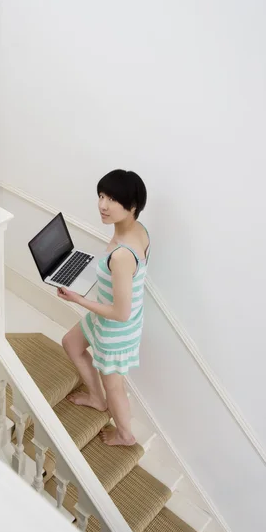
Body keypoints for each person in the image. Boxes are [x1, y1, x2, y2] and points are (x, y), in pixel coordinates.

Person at [57, 169, 149, 446]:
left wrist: (78, 299)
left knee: (114, 385)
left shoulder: (122, 255)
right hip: (109, 316)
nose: (103, 205)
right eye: (101, 195)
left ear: (132, 207)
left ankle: (125, 435)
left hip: (115, 327)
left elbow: (121, 313)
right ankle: (97, 399)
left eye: (112, 200)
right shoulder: (136, 230)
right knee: (71, 343)